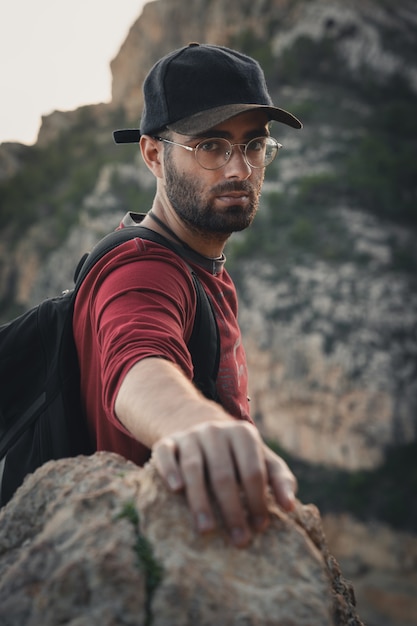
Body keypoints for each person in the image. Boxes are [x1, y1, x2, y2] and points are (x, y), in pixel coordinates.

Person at [73, 42, 302, 548]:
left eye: (254, 145)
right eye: (211, 146)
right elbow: (136, 359)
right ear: (154, 153)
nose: (240, 169)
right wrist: (193, 422)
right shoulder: (143, 268)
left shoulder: (199, 261)